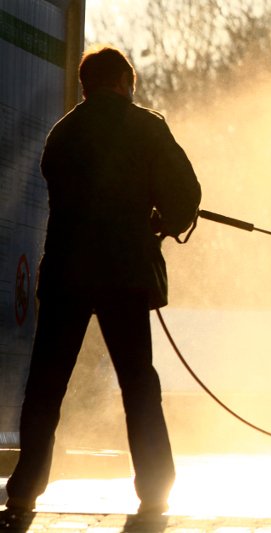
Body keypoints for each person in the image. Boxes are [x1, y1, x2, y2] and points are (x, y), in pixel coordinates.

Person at [1, 46, 201, 523]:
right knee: (138, 384)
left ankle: (24, 491)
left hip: (66, 275)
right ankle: (154, 490)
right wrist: (162, 220)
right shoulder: (147, 127)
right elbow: (185, 195)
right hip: (124, 276)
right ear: (125, 83)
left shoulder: (63, 133)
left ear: (85, 86)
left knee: (46, 386)